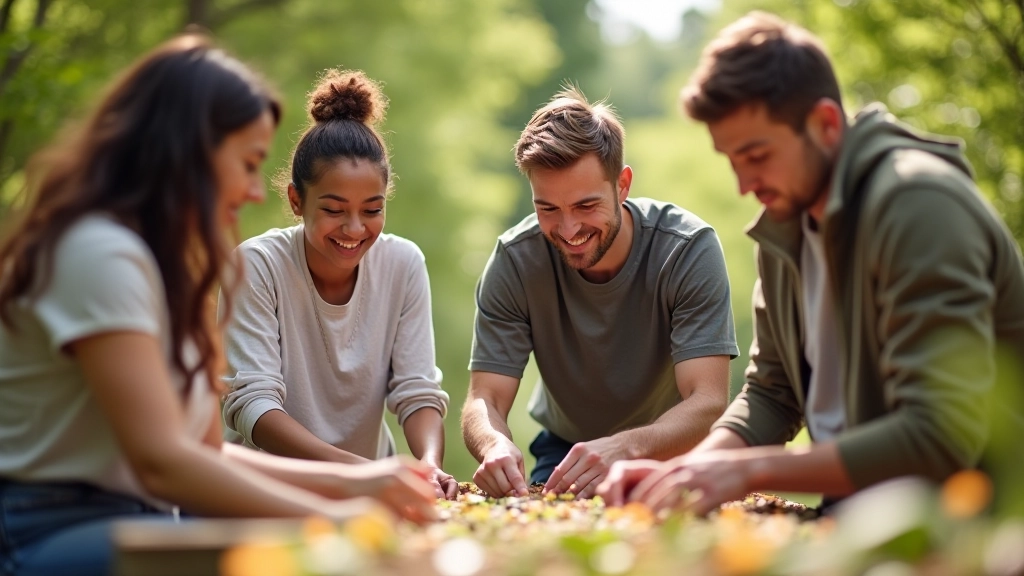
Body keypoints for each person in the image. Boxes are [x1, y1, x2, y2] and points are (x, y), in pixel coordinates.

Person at [0, 36, 438, 576]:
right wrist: (343, 523)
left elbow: (203, 453)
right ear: (186, 151)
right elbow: (163, 462)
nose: (258, 191)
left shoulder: (164, 264)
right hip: (46, 526)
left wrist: (360, 481)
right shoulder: (97, 253)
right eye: (249, 163)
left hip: (143, 520)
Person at [597, 11, 1024, 515]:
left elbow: (942, 433)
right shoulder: (785, 227)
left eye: (757, 155)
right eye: (732, 160)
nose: (743, 184)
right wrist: (687, 474)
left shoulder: (917, 204)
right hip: (867, 522)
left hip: (984, 530)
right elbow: (773, 393)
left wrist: (749, 470)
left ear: (823, 124)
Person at [461, 87, 740, 499]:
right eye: (548, 209)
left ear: (622, 185)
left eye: (586, 206)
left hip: (674, 452)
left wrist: (625, 448)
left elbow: (707, 400)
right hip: (565, 455)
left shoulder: (687, 250)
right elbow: (485, 398)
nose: (568, 229)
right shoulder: (515, 261)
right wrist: (493, 443)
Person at [220, 69, 457, 499]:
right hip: (265, 496)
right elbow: (252, 406)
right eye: (334, 209)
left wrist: (427, 466)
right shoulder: (258, 265)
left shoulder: (403, 263)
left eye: (372, 210)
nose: (354, 228)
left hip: (373, 497)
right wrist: (361, 473)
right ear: (297, 201)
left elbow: (417, 389)